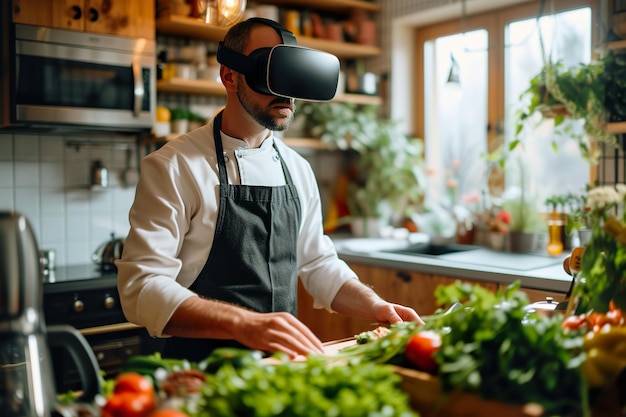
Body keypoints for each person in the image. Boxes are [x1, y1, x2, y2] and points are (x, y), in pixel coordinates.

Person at [116, 17, 422, 362]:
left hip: (279, 370)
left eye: (291, 74)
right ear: (229, 76)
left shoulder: (297, 169)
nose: (286, 91)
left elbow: (318, 262)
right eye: (269, 71)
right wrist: (243, 324)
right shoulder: (174, 166)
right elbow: (141, 288)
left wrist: (376, 306)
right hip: (199, 375)